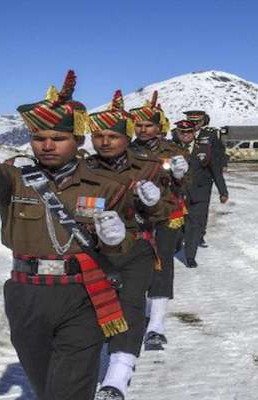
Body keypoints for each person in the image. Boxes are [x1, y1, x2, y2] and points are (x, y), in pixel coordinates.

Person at [0, 70, 134, 400]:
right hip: (27, 295)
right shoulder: (15, 178)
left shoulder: (107, 186)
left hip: (82, 294)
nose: (48, 145)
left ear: (78, 140)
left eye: (58, 137)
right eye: (39, 138)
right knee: (46, 387)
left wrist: (115, 238)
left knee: (69, 391)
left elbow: (124, 246)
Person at [87, 90, 176, 400]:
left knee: (131, 305)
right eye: (98, 135)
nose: (105, 142)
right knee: (91, 310)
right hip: (93, 251)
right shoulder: (84, 169)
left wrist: (154, 205)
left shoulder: (148, 166)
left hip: (135, 246)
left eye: (112, 135)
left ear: (125, 137)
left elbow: (166, 208)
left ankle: (118, 376)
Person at [129, 91, 190, 351]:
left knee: (162, 265)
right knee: (135, 264)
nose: (143, 130)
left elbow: (187, 184)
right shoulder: (127, 149)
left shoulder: (174, 151)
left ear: (159, 127)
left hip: (166, 215)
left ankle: (156, 324)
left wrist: (180, 175)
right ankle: (139, 310)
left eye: (148, 125)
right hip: (134, 215)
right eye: (139, 125)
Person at [175, 111, 229, 268]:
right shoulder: (172, 148)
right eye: (182, 132)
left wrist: (223, 191)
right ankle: (178, 243)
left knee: (195, 223)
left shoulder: (207, 142)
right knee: (180, 222)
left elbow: (215, 167)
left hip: (201, 190)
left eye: (188, 131)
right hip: (179, 190)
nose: (185, 134)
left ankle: (190, 255)